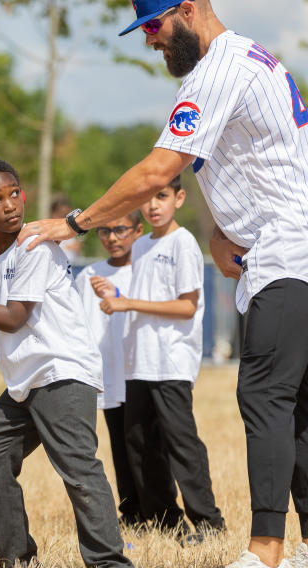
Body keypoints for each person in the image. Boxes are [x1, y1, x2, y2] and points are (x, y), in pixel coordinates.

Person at [18, 0, 308, 568]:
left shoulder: (218, 71)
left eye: (153, 25)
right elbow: (256, 162)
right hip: (285, 247)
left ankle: (267, 560)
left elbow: (159, 171)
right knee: (298, 409)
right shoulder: (256, 60)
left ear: (188, 8)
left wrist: (73, 223)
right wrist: (221, 229)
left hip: (287, 255)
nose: (149, 41)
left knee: (265, 395)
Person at [0, 156, 135, 568]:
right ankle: (18, 564)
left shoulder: (35, 246)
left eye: (14, 193)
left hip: (61, 370)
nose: (9, 205)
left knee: (77, 468)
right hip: (25, 380)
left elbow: (16, 317)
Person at [100, 176, 225, 542]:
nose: (154, 205)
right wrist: (117, 293)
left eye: (162, 196)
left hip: (171, 360)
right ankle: (166, 521)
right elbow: (148, 296)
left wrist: (127, 302)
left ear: (179, 198)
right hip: (139, 360)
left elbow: (186, 306)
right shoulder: (140, 247)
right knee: (138, 442)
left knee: (180, 443)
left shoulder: (183, 242)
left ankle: (209, 522)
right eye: (147, 198)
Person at [74, 209, 154, 526]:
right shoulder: (88, 275)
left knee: (148, 442)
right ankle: (131, 511)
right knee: (120, 443)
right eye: (104, 231)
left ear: (138, 230)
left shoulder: (145, 270)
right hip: (109, 373)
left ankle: (161, 509)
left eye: (120, 229)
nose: (112, 238)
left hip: (142, 368)